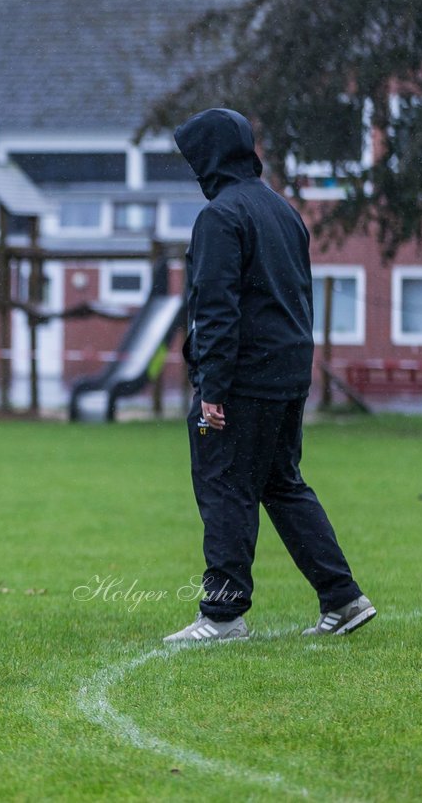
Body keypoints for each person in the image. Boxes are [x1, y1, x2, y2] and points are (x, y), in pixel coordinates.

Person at [164, 108, 375, 642]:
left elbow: (216, 307)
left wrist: (212, 385)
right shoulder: (283, 211)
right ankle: (343, 598)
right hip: (287, 375)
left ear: (209, 156)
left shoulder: (220, 217)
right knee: (282, 484)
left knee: (225, 487)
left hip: (240, 381)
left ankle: (223, 614)